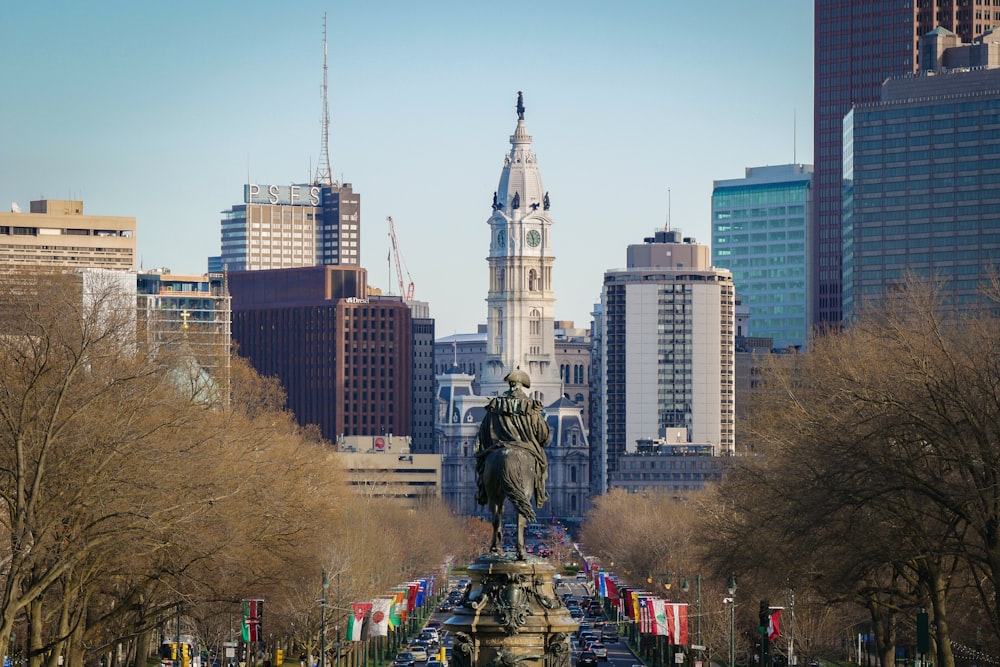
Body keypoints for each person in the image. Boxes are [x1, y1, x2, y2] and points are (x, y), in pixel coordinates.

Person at [474, 368, 550, 509]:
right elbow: (542, 434)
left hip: (499, 446)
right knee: (542, 466)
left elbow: (484, 430)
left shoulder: (496, 405)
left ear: (510, 385)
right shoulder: (531, 406)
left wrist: (480, 448)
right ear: (521, 385)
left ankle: (482, 492)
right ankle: (541, 493)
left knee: (483, 465)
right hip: (526, 447)